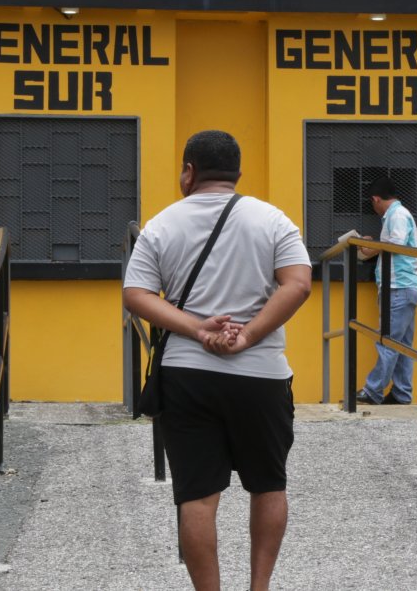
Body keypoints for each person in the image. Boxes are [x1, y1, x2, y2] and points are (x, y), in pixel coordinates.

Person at [122, 130, 312, 591]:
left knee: (197, 497)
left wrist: (195, 328)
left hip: (187, 375)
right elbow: (299, 283)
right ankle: (259, 587)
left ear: (189, 172)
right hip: (261, 375)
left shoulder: (161, 224)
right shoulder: (272, 220)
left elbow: (136, 294)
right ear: (238, 173)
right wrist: (246, 336)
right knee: (268, 484)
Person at [355, 176, 417, 405]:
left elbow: (396, 244)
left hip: (399, 286)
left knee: (387, 340)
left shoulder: (397, 215)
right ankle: (401, 393)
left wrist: (370, 247)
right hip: (403, 286)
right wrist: (372, 244)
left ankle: (373, 390)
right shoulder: (398, 214)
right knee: (401, 344)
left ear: (375, 199)